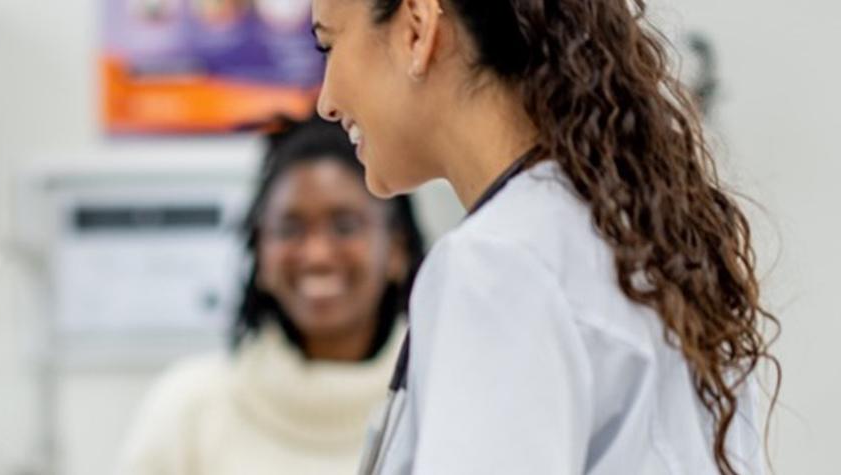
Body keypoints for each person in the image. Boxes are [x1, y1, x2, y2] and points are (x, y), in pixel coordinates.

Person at [308, 0, 779, 473]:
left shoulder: (500, 265)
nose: (324, 101)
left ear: (417, 28)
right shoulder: (658, 246)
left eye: (329, 44)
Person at [117, 115, 426, 475]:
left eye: (344, 226)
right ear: (260, 254)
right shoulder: (187, 411)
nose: (316, 254)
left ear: (396, 251)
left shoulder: (438, 408)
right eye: (290, 229)